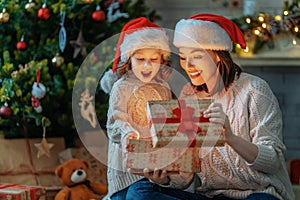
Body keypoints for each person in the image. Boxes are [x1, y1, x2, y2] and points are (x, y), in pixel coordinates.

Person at [125, 14, 295, 200]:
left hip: (257, 194)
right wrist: (164, 179)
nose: (188, 65)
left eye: (197, 56)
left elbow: (272, 161)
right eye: (183, 57)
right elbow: (186, 178)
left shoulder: (254, 90)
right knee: (139, 192)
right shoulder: (189, 94)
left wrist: (229, 137)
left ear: (218, 56)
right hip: (209, 196)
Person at [100, 17, 172, 199]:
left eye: (153, 59)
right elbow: (115, 121)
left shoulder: (163, 88)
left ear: (162, 60)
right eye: (140, 59)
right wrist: (127, 133)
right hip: (124, 171)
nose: (147, 66)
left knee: (143, 193)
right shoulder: (122, 87)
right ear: (128, 59)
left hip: (152, 167)